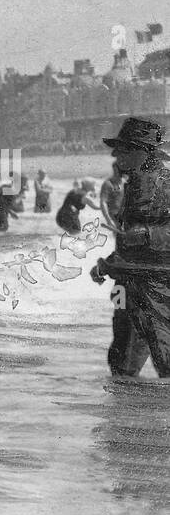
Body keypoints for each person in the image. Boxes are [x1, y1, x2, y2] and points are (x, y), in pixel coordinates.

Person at [90, 117, 170, 376]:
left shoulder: (166, 183)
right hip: (126, 284)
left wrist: (147, 234)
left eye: (123, 148)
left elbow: (142, 235)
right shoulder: (133, 184)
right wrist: (108, 264)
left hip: (158, 287)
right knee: (120, 365)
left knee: (166, 361)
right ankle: (123, 415)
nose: (115, 154)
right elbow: (127, 240)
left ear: (142, 151)